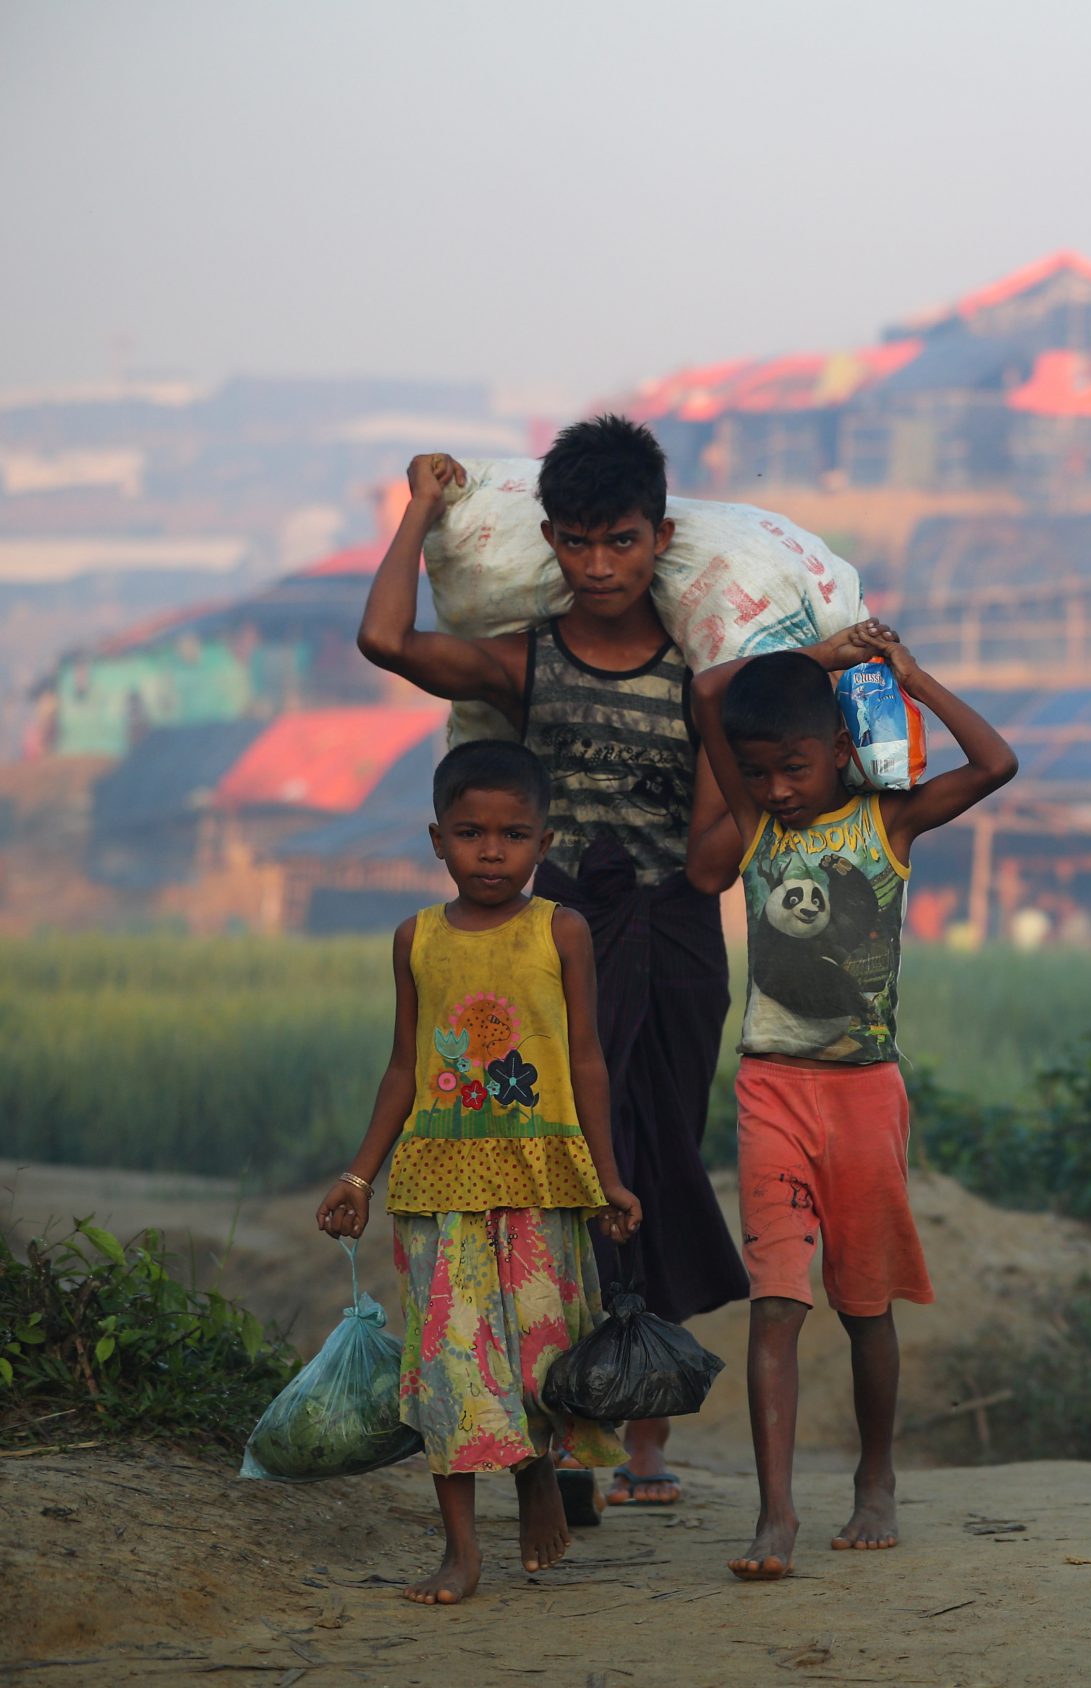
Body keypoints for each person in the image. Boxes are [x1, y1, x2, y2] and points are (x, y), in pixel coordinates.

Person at [358, 424, 751, 1512]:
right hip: (549, 945)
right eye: (574, 543)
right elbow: (386, 638)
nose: (598, 566)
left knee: (652, 1162)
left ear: (660, 538)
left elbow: (718, 852)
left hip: (669, 945)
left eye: (621, 541)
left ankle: (643, 1434)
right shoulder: (528, 660)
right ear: (551, 542)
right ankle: (559, 1433)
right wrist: (421, 508)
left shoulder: (699, 678)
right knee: (556, 1169)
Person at [691, 625, 1016, 1580]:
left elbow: (996, 762)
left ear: (840, 751)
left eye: (793, 768)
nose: (776, 790)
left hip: (866, 1095)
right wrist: (823, 658)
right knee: (776, 1304)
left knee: (865, 1307)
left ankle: (878, 1476)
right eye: (757, 774)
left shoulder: (888, 824)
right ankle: (776, 1515)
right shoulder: (755, 829)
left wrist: (907, 678)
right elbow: (710, 694)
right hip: (770, 1091)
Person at [314, 741, 643, 1605]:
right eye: (470, 833)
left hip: (541, 1178)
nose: (490, 852)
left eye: (512, 834)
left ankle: (536, 1477)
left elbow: (586, 1060)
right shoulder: (415, 939)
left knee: (540, 1358)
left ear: (543, 841)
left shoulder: (560, 929)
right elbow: (402, 1070)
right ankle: (460, 1550)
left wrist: (607, 1178)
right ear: (436, 839)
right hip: (436, 1185)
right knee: (449, 1363)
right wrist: (358, 1178)